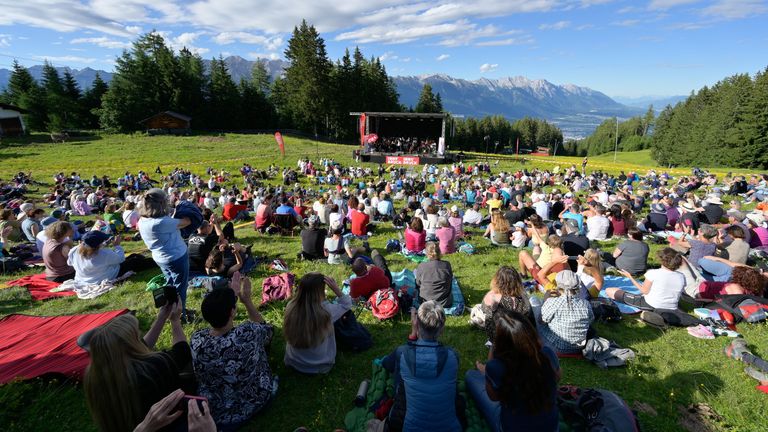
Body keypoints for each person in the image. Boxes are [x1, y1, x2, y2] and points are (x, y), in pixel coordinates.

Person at [83, 301, 193, 432]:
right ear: (130, 346)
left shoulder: (94, 376)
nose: (140, 337)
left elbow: (140, 347)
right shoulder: (153, 367)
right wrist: (175, 321)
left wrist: (161, 318)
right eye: (137, 336)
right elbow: (182, 352)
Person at [191, 273, 275, 430]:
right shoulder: (248, 333)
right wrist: (247, 300)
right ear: (232, 312)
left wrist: (233, 296)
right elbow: (268, 331)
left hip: (215, 408)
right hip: (253, 401)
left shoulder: (197, 340)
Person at [466, 312, 560, 432]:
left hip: (510, 426)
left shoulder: (496, 367)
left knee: (471, 376)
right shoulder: (547, 354)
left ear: (500, 342)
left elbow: (493, 397)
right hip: (551, 427)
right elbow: (557, 377)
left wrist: (492, 349)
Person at [382, 301, 463, 432]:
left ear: (416, 324)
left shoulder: (402, 353)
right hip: (452, 427)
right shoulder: (453, 356)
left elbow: (386, 363)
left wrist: (413, 335)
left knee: (400, 374)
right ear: (442, 329)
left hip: (409, 426)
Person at [138, 188, 193, 321]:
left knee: (170, 284)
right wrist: (184, 205)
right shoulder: (162, 222)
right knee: (180, 287)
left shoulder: (143, 220)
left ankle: (169, 309)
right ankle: (180, 314)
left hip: (161, 258)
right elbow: (187, 221)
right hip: (176, 257)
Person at [283, 273, 351, 374]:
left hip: (293, 362)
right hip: (321, 366)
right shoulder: (327, 310)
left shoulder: (291, 306)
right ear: (320, 292)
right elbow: (347, 304)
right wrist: (336, 289)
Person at [606, 248, 686, 312]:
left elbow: (644, 291)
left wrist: (630, 277)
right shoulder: (682, 276)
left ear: (662, 260)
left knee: (610, 291)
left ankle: (650, 314)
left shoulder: (653, 273)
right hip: (672, 307)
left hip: (650, 304)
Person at [537, 270, 594, 354]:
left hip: (557, 346)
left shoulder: (553, 302)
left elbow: (541, 320)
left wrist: (545, 300)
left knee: (534, 301)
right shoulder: (585, 303)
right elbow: (590, 320)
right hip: (579, 347)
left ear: (558, 285)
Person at [480, 266, 533, 342]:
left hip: (499, 339)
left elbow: (484, 309)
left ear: (497, 281)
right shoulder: (523, 298)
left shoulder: (492, 297)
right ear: (517, 282)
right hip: (523, 337)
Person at [67, 231, 134, 284]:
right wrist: (117, 246)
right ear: (98, 245)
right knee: (135, 260)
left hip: (83, 279)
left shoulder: (75, 249)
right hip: (101, 278)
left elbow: (69, 263)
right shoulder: (104, 253)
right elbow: (121, 259)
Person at [414, 242, 454, 308]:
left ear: (427, 254)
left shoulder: (422, 266)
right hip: (445, 303)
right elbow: (450, 280)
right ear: (439, 252)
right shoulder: (446, 265)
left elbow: (418, 284)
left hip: (425, 302)